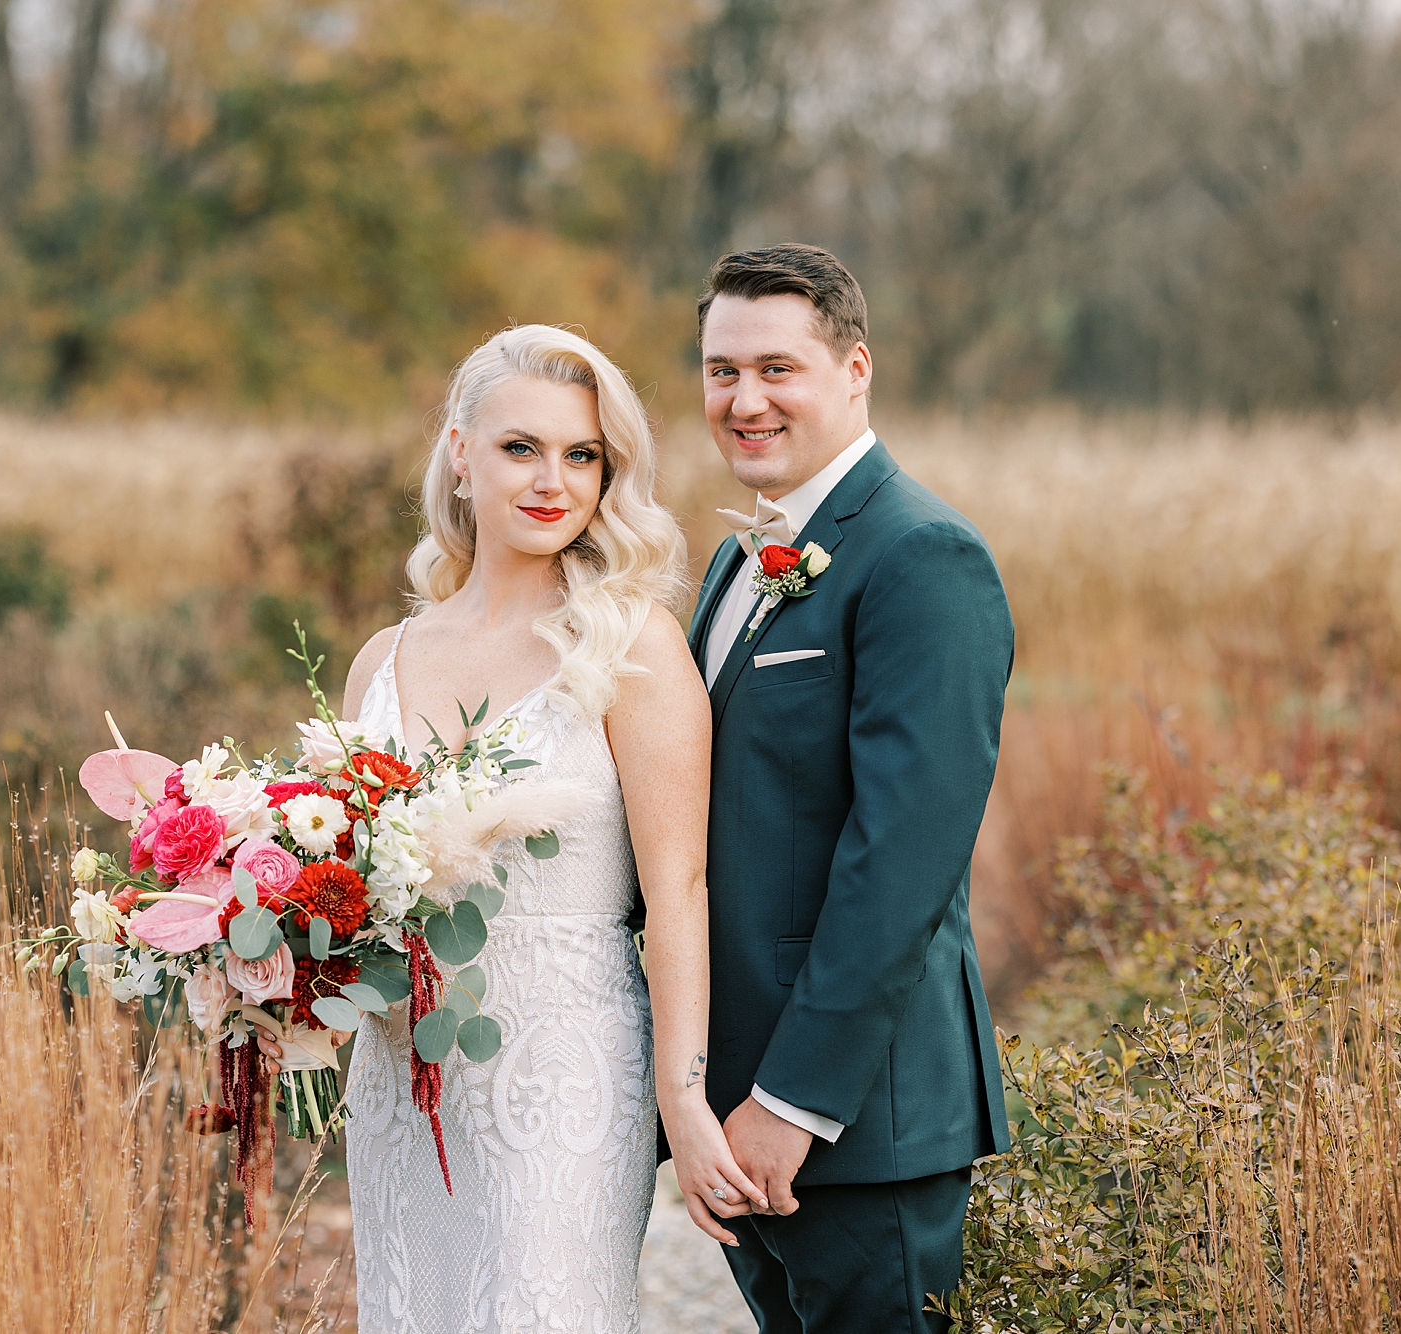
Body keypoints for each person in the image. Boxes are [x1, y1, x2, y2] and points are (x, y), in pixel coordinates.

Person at [262, 323, 759, 1331]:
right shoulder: (381, 662)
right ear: (458, 449)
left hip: (568, 1074)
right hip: (405, 1078)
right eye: (520, 448)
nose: (553, 480)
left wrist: (683, 1094)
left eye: (582, 455)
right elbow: (336, 890)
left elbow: (679, 891)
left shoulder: (629, 646)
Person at [687, 243, 1013, 1332]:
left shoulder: (923, 556)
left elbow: (899, 864)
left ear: (853, 367)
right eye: (721, 369)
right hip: (744, 1107)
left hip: (855, 1118)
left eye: (776, 368)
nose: (744, 399)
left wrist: (790, 1103)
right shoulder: (741, 559)